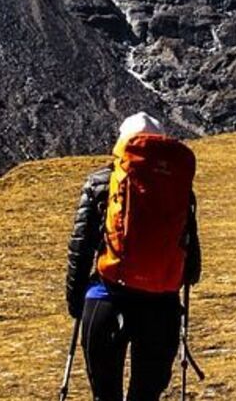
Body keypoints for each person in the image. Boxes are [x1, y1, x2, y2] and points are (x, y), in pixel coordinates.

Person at [66, 112, 202, 401]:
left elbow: (80, 249)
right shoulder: (180, 189)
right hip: (161, 308)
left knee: (106, 396)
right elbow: (193, 269)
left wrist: (77, 303)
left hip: (106, 300)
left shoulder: (101, 182)